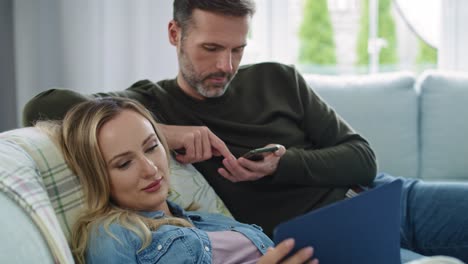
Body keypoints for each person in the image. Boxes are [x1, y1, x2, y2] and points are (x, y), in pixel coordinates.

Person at [23, 0, 468, 262]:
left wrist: (284, 163)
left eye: (238, 49)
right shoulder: (148, 106)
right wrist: (163, 132)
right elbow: (42, 106)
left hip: (389, 196)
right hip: (326, 238)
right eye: (211, 48)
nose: (225, 66)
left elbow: (361, 156)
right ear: (175, 34)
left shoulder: (278, 78)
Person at [38, 97, 318, 264]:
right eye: (124, 163)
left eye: (151, 147)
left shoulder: (206, 220)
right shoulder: (111, 235)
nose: (150, 169)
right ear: (96, 176)